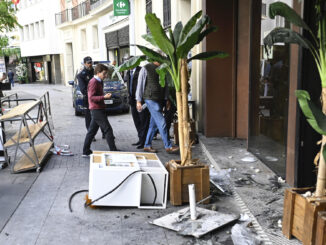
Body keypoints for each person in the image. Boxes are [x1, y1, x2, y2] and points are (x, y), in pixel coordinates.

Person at [136, 61, 179, 154]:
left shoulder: (163, 68)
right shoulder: (146, 68)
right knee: (162, 122)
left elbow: (165, 85)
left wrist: (167, 99)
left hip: (159, 100)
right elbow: (140, 84)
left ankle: (147, 145)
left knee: (153, 124)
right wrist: (138, 100)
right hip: (150, 99)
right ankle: (168, 146)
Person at [82, 64, 118, 157]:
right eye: (104, 74)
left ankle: (85, 151)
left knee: (91, 131)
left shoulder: (98, 81)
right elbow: (91, 97)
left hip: (98, 109)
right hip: (96, 109)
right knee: (108, 130)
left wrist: (104, 96)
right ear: (98, 73)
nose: (105, 76)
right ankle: (113, 151)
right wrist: (104, 97)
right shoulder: (93, 82)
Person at [124, 57, 150, 149]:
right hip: (132, 101)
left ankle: (144, 142)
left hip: (141, 101)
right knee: (137, 122)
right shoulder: (128, 72)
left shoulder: (141, 70)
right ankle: (140, 139)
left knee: (143, 121)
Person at [77, 56, 104, 141]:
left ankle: (104, 133)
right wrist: (92, 95)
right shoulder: (81, 75)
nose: (90, 64)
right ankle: (91, 135)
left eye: (91, 62)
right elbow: (83, 89)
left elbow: (101, 83)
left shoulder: (95, 72)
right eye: (88, 63)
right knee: (89, 118)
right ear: (84, 63)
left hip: (98, 99)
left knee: (101, 116)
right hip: (88, 100)